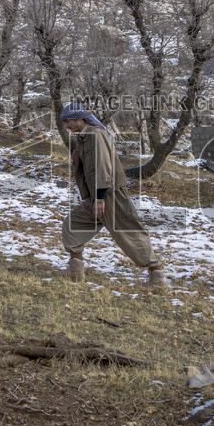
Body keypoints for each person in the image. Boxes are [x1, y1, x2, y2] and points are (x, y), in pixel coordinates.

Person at [59, 103, 165, 289]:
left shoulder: (96, 135)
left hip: (110, 194)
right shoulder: (83, 138)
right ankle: (75, 270)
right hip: (96, 197)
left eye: (68, 121)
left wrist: (99, 197)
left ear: (79, 118)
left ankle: (156, 275)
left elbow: (102, 166)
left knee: (129, 232)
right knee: (72, 224)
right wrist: (89, 197)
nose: (67, 126)